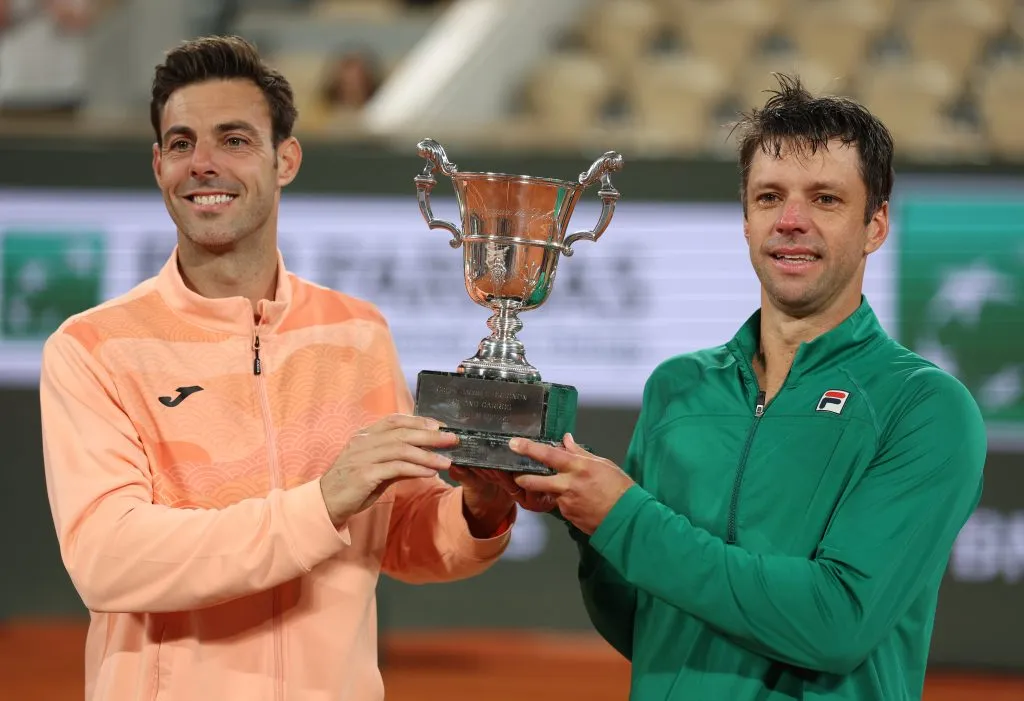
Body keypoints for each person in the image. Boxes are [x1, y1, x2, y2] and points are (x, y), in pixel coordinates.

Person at [38, 35, 516, 701]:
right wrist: (321, 502)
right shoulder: (92, 347)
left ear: (284, 158)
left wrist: (479, 510)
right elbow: (109, 559)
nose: (202, 164)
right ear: (157, 164)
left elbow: (397, 533)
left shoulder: (357, 331)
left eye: (233, 140)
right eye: (181, 143)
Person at [503, 74, 987, 700]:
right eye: (768, 197)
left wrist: (624, 516)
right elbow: (648, 626)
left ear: (875, 225)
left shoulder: (926, 408)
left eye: (825, 199)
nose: (791, 221)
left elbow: (834, 623)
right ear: (745, 218)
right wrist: (586, 523)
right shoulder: (677, 389)